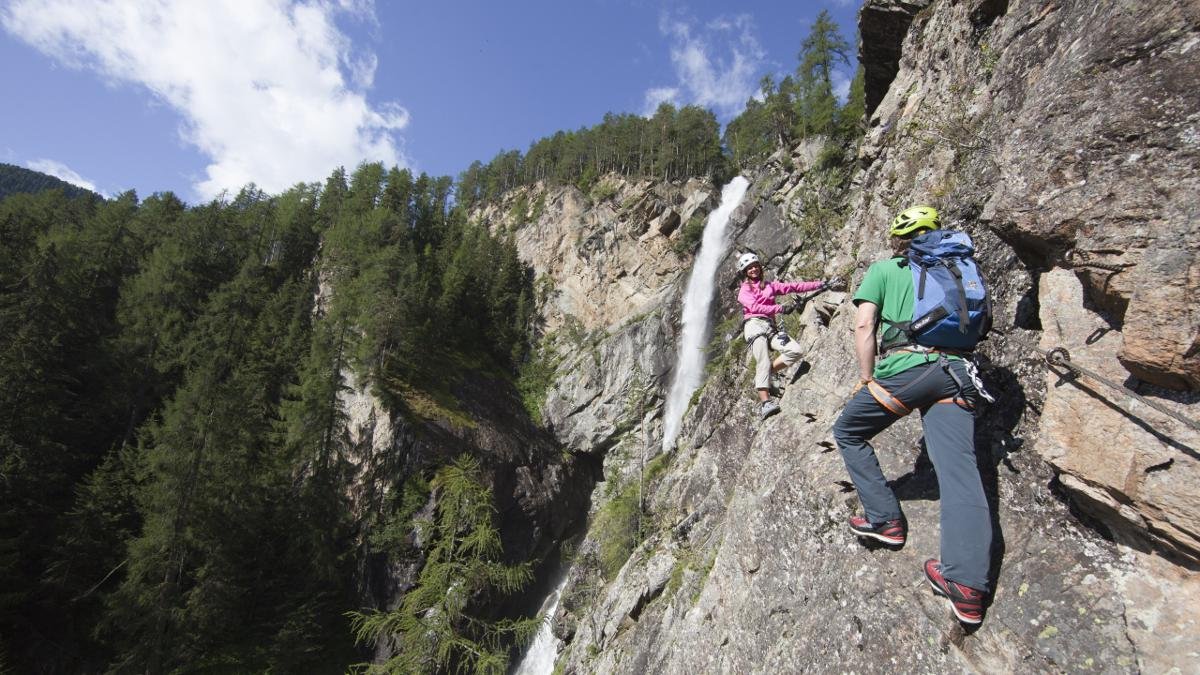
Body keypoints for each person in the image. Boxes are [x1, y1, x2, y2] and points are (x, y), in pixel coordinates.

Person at [832, 206, 994, 625]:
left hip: (909, 370)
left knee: (848, 429)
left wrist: (867, 377)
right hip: (958, 374)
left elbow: (865, 325)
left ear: (898, 239)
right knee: (961, 474)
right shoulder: (961, 269)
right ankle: (967, 586)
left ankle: (884, 520)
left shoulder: (885, 270)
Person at [735, 252, 828, 420]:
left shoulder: (769, 285)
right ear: (744, 272)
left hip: (771, 327)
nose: (754, 269)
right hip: (754, 326)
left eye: (755, 266)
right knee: (762, 361)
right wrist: (779, 309)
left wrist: (820, 284)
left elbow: (794, 287)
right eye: (749, 268)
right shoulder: (744, 291)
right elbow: (754, 307)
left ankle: (766, 374)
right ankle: (766, 403)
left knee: (795, 350)